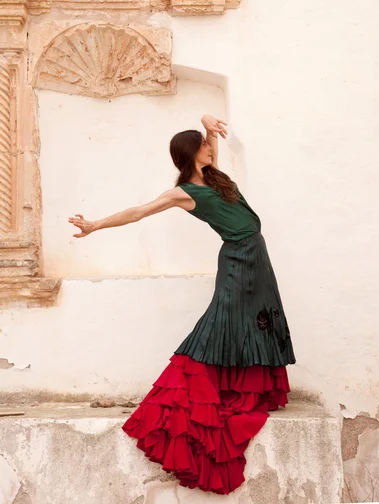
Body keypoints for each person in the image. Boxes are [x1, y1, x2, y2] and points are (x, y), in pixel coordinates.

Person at [68, 113, 296, 495]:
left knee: (254, 321)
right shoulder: (183, 192)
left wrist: (208, 124)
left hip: (257, 256)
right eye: (205, 145)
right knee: (222, 320)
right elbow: (139, 211)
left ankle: (247, 388)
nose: (210, 147)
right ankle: (188, 393)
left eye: (209, 144)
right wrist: (95, 225)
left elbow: (213, 144)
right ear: (192, 153)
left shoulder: (215, 179)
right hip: (238, 259)